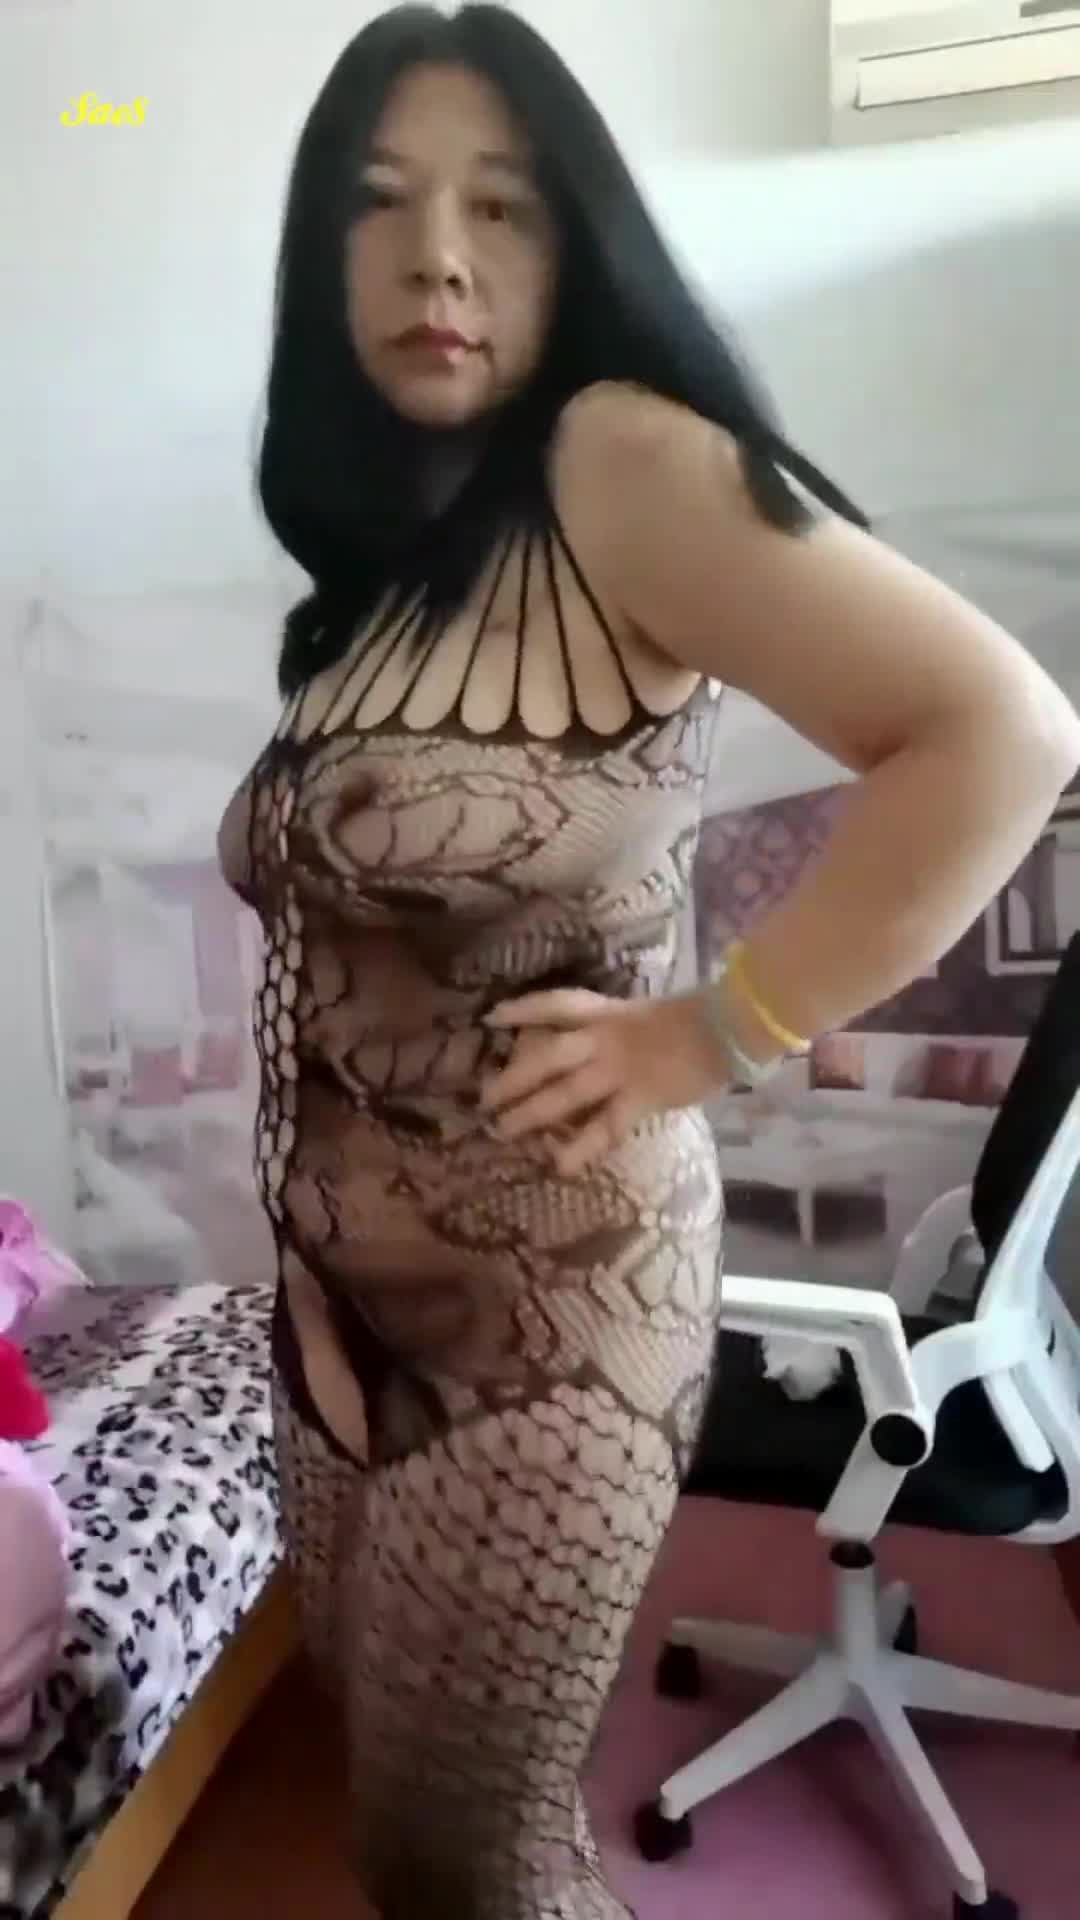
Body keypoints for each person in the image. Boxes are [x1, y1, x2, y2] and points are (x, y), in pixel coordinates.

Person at [218, 6, 1080, 1915]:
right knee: (397, 1838)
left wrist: (715, 1030)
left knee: (481, 1863)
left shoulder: (617, 459)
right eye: (379, 204)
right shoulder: (383, 569)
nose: (437, 256)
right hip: (338, 1326)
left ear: (574, 243)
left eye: (502, 208)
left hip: (548, 1332)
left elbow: (1003, 736)